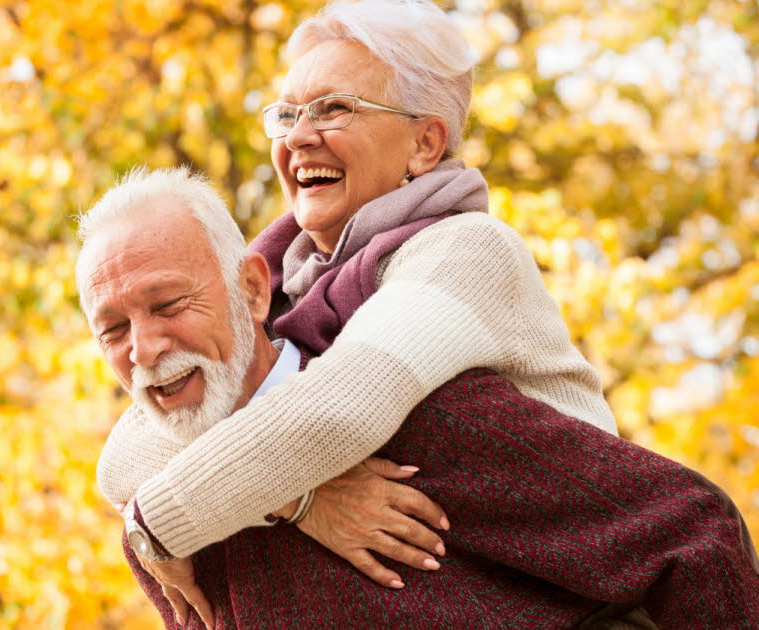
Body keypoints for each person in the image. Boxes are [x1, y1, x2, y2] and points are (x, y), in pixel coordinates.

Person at [77, 167, 759, 628]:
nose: (145, 348)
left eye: (169, 304)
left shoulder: (430, 421)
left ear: (253, 291)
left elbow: (695, 534)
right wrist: (295, 499)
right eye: (113, 329)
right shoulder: (159, 531)